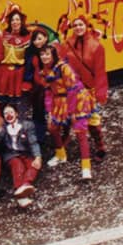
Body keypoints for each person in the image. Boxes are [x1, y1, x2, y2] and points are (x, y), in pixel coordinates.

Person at [39, 44, 94, 180]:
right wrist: (49, 111)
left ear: (54, 55)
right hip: (59, 100)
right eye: (42, 54)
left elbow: (72, 90)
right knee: (52, 127)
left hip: (76, 100)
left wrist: (72, 111)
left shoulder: (64, 68)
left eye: (47, 54)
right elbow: (48, 92)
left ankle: (86, 168)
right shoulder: (44, 71)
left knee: (80, 133)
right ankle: (61, 155)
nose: (44, 57)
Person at [59, 14, 109, 162]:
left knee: (93, 120)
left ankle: (100, 146)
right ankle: (64, 140)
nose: (78, 28)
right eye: (75, 25)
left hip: (89, 91)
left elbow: (100, 71)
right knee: (68, 116)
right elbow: (61, 66)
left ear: (86, 26)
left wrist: (101, 91)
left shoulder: (96, 46)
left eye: (81, 24)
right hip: (72, 90)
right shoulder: (66, 45)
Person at [0, 103, 43, 208]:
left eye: (11, 112)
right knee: (18, 166)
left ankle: (25, 184)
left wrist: (38, 157)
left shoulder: (27, 125)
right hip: (11, 155)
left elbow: (33, 143)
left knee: (34, 165)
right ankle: (20, 192)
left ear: (16, 113)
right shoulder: (4, 127)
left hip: (25, 153)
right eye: (5, 113)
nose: (8, 115)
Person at [0, 7, 31, 115]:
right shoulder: (4, 35)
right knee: (2, 103)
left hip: (19, 74)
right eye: (12, 20)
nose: (15, 22)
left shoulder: (27, 37)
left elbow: (29, 58)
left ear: (22, 21)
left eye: (17, 19)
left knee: (17, 105)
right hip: (4, 73)